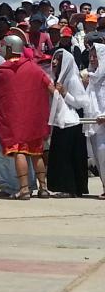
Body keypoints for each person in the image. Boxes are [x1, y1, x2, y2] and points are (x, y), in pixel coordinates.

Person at [0, 33, 53, 200]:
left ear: (9, 48)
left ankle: (24, 189)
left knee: (19, 151)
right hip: (34, 119)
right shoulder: (34, 67)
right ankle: (43, 188)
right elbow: (50, 87)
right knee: (36, 152)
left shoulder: (3, 70)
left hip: (14, 120)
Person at [46, 49, 88, 197]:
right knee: (59, 158)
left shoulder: (72, 79)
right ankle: (63, 188)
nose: (55, 62)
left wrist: (64, 93)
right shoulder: (56, 78)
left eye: (59, 59)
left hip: (70, 122)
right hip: (59, 122)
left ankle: (70, 189)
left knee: (67, 158)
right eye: (54, 58)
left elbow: (81, 103)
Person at [83, 43, 105, 200]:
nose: (92, 59)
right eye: (91, 56)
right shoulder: (90, 77)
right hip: (93, 122)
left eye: (95, 56)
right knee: (97, 156)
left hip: (103, 122)